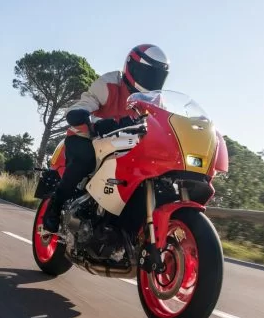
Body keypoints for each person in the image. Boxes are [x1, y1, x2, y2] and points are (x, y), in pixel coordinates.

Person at [42, 44, 171, 233]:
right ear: (132, 67)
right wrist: (85, 116)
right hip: (88, 137)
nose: (152, 80)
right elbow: (87, 101)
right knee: (83, 160)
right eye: (148, 73)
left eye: (157, 76)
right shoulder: (109, 83)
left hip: (126, 144)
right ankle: (55, 206)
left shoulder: (156, 100)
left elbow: (162, 123)